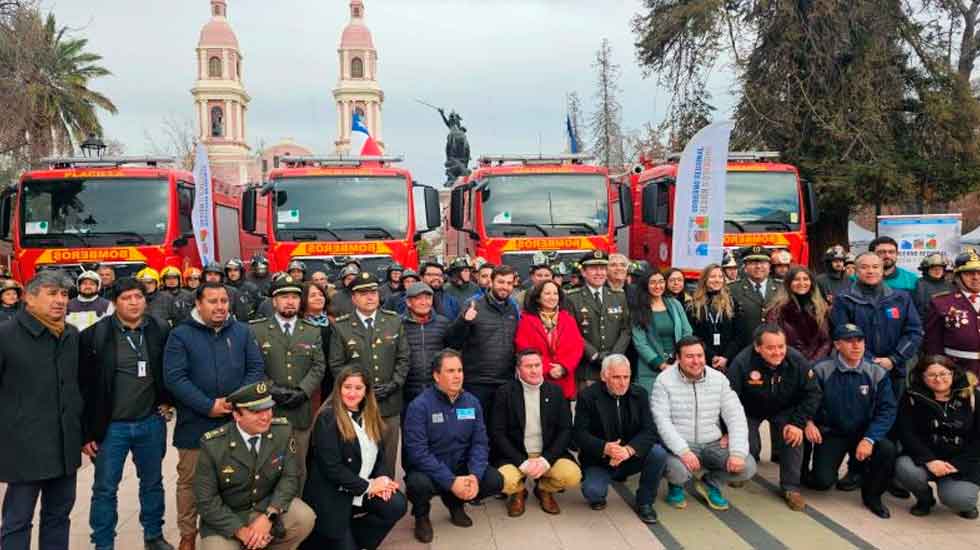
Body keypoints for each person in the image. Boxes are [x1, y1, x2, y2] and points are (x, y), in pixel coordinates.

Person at [163, 282, 266, 550]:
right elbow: (175, 378)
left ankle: (229, 531)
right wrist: (208, 405)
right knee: (190, 482)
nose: (220, 306)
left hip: (236, 420)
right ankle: (187, 535)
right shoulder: (180, 335)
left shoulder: (242, 331)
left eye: (224, 301)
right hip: (196, 423)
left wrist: (236, 402)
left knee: (234, 478)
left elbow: (255, 368)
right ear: (198, 304)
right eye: (213, 301)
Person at [78, 277, 174, 550]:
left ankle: (153, 535)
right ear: (114, 302)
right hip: (111, 429)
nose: (134, 303)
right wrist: (86, 433)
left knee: (153, 483)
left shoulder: (159, 329)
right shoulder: (94, 336)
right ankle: (103, 542)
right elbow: (83, 388)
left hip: (150, 422)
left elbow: (170, 370)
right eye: (126, 298)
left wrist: (168, 401)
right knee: (105, 489)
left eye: (138, 297)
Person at [0, 271, 81, 550]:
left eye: (63, 295)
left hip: (64, 446)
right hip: (23, 448)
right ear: (29, 298)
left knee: (59, 517)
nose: (60, 300)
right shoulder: (6, 335)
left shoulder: (71, 335)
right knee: (17, 520)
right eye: (51, 293)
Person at [193, 382, 315, 550]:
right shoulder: (213, 445)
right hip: (229, 516)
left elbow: (290, 477)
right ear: (237, 415)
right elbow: (206, 501)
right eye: (256, 411)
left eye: (269, 408)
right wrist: (242, 531)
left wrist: (269, 516)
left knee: (304, 517)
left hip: (265, 507)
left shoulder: (282, 431)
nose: (266, 416)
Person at [403, 349, 504, 543]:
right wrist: (450, 481)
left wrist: (474, 474)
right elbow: (417, 453)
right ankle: (422, 516)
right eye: (450, 371)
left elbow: (480, 443)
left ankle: (456, 503)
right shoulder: (419, 406)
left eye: (460, 370)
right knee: (417, 484)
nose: (457, 376)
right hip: (430, 470)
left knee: (494, 480)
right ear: (436, 375)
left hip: (461, 465)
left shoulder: (472, 402)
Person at [302, 367, 406, 549]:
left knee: (396, 504)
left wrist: (382, 477)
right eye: (347, 387)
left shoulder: (370, 414)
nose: (352, 393)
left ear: (366, 391)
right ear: (338, 388)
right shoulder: (327, 418)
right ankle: (332, 538)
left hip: (360, 489)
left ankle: (354, 538)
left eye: (358, 388)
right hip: (333, 495)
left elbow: (379, 455)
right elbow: (332, 469)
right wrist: (369, 486)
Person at [651, 336, 757, 511]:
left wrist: (738, 452)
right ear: (678, 358)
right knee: (677, 470)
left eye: (699, 355)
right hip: (681, 444)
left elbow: (735, 416)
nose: (696, 361)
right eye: (689, 356)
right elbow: (661, 421)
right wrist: (683, 451)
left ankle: (710, 483)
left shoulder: (719, 379)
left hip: (713, 442)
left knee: (747, 467)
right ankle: (676, 484)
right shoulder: (664, 381)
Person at [807, 323, 898, 518]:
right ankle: (849, 470)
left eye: (860, 341)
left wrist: (870, 439)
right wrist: (809, 422)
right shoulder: (822, 369)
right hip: (832, 432)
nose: (856, 346)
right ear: (837, 345)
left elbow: (887, 410)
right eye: (849, 341)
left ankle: (872, 496)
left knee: (887, 449)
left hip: (864, 433)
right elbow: (805, 399)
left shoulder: (876, 372)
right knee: (822, 482)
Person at [727, 325, 822, 511]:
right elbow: (730, 399)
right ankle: (744, 472)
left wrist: (797, 423)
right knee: (749, 445)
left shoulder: (797, 360)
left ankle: (791, 488)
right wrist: (728, 430)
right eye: (771, 348)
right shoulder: (741, 363)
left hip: (783, 408)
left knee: (793, 437)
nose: (777, 352)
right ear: (757, 347)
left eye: (781, 346)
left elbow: (813, 393)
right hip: (749, 410)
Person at [329, 272, 410, 476]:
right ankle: (361, 499)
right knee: (361, 457)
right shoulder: (342, 326)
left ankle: (387, 498)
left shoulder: (394, 321)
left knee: (388, 457)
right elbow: (337, 365)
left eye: (373, 292)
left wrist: (394, 384)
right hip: (358, 404)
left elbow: (404, 358)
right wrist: (358, 390)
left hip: (389, 402)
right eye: (363, 293)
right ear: (354, 298)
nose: (370, 297)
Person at [250, 275, 326, 486]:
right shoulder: (257, 330)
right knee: (267, 468)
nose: (290, 301)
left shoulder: (312, 331)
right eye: (284, 297)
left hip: (301, 411)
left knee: (299, 468)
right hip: (269, 410)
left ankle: (298, 516)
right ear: (274, 301)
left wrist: (303, 391)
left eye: (294, 296)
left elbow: (319, 366)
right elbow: (253, 368)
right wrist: (273, 390)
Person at [574, 354, 665, 523]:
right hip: (600, 460)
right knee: (594, 493)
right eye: (616, 377)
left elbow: (650, 430)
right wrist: (606, 448)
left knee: (658, 453)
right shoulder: (587, 396)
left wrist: (628, 450)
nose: (623, 383)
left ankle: (645, 502)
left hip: (629, 456)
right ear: (604, 376)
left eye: (626, 377)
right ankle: (601, 484)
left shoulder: (640, 394)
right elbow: (579, 434)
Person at [493, 350, 582, 516]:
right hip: (516, 453)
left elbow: (565, 429)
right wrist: (522, 462)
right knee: (501, 481)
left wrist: (546, 460)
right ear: (518, 369)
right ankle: (518, 492)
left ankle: (543, 490)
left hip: (546, 453)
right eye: (528, 366)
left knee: (571, 476)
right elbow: (498, 433)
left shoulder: (555, 391)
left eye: (537, 365)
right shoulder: (505, 392)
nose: (534, 370)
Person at [896, 355, 980, 519]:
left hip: (960, 461)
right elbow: (906, 433)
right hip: (927, 458)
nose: (938, 379)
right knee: (904, 468)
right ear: (922, 377)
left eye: (943, 374)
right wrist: (930, 460)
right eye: (932, 375)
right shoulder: (912, 396)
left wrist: (957, 464)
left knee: (960, 499)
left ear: (953, 374)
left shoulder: (973, 396)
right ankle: (925, 500)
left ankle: (964, 503)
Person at [831, 251, 922, 397]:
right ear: (855, 270)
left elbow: (914, 332)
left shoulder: (901, 298)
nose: (870, 271)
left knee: (893, 412)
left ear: (882, 270)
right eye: (864, 267)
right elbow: (842, 335)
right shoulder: (844, 299)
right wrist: (871, 361)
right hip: (859, 369)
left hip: (895, 369)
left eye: (875, 267)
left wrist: (894, 359)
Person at [446, 264, 519, 436]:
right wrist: (464, 321)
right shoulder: (473, 305)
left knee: (500, 429)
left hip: (505, 381)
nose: (505, 287)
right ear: (491, 282)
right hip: (477, 382)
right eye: (501, 282)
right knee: (473, 428)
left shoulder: (513, 308)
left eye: (509, 283)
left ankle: (497, 462)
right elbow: (452, 342)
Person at [566, 250, 631, 389]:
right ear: (583, 272)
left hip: (615, 369)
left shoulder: (618, 296)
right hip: (588, 369)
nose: (599, 273)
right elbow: (572, 332)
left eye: (602, 268)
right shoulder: (572, 298)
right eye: (593, 269)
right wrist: (594, 355)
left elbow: (626, 329)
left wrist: (615, 355)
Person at [513, 280, 584, 400]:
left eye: (555, 293)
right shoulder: (526, 320)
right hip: (537, 381)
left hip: (564, 382)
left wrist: (563, 367)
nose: (552, 297)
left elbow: (577, 347)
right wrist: (547, 368)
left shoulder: (567, 319)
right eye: (547, 293)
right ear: (538, 298)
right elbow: (523, 348)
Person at [631, 270, 693, 391]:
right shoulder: (638, 309)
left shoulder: (675, 304)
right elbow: (640, 343)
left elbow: (687, 332)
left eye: (661, 282)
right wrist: (661, 365)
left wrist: (680, 358)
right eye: (653, 283)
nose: (658, 286)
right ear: (645, 285)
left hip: (678, 364)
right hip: (650, 367)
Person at [925, 249, 980, 376]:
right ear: (958, 276)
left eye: (979, 272)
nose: (976, 277)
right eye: (968, 273)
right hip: (957, 370)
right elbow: (933, 344)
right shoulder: (941, 303)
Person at [400, 282, 451, 413]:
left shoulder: (443, 323)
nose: (424, 302)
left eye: (428, 298)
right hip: (407, 392)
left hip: (437, 389)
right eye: (418, 298)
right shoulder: (398, 324)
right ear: (408, 302)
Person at [764, 266, 832, 361]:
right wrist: (799, 363)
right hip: (789, 362)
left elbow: (825, 341)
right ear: (788, 283)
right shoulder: (777, 310)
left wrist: (813, 362)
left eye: (805, 279)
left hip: (816, 364)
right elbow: (775, 340)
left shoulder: (820, 308)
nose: (802, 283)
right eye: (796, 279)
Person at [686, 263, 740, 372]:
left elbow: (738, 335)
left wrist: (725, 358)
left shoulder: (732, 303)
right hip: (702, 359)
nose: (717, 280)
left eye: (720, 277)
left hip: (728, 360)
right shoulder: (693, 305)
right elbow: (694, 335)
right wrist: (712, 357)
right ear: (704, 279)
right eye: (712, 276)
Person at [730, 245, 779, 349]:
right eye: (752, 263)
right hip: (744, 348)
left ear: (770, 266)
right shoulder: (732, 289)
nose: (758, 266)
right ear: (745, 267)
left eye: (763, 262)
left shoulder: (782, 288)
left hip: (775, 348)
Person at [299, 282, 333, 407]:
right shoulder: (298, 324)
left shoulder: (333, 322)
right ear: (304, 300)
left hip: (331, 380)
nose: (319, 298)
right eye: (313, 295)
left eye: (321, 294)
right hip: (307, 381)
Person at [913, 253, 953, 320]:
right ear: (926, 270)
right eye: (934, 268)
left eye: (940, 268)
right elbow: (917, 310)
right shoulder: (919, 284)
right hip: (927, 324)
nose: (937, 271)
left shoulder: (950, 285)